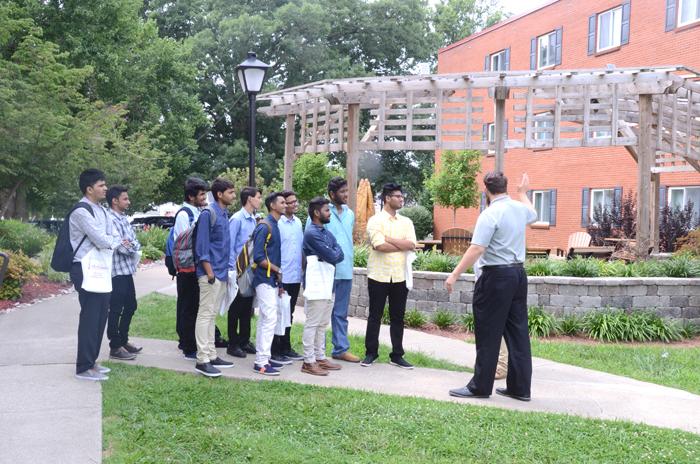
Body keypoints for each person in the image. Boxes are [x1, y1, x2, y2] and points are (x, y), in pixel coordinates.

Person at [445, 172, 537, 401]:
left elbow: (477, 248)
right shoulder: (518, 208)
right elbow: (533, 213)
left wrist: (454, 275)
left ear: (485, 188)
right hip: (518, 275)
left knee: (488, 332)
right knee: (518, 333)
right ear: (505, 186)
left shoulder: (490, 214)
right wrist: (523, 193)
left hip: (496, 277)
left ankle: (480, 386)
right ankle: (520, 388)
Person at [71, 169, 120, 381]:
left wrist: (109, 240)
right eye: (101, 185)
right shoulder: (81, 211)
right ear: (89, 189)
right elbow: (102, 239)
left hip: (100, 269)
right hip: (85, 268)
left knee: (101, 315)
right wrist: (109, 241)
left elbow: (115, 235)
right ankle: (83, 367)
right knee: (91, 317)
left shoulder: (102, 211)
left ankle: (91, 361)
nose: (106, 188)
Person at [361, 183, 417, 369]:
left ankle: (397, 355)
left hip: (400, 276)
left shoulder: (406, 222)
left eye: (402, 196)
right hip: (379, 275)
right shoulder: (375, 221)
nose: (402, 199)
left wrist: (390, 239)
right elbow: (379, 246)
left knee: (398, 317)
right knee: (374, 316)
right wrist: (400, 244)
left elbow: (411, 245)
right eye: (398, 196)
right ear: (387, 198)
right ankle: (371, 353)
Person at [193, 178, 236, 378]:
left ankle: (211, 354)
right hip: (210, 274)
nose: (234, 196)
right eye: (230, 192)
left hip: (221, 273)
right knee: (205, 314)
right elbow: (202, 247)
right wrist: (209, 273)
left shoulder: (224, 214)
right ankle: (202, 359)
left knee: (211, 316)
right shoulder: (208, 214)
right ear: (219, 194)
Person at [301, 197, 345, 375]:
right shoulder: (311, 233)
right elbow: (334, 256)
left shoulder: (326, 232)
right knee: (312, 323)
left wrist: (331, 253)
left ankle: (320, 357)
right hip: (317, 284)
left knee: (322, 323)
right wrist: (331, 253)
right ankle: (308, 361)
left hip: (328, 284)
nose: (330, 214)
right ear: (317, 213)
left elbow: (339, 253)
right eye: (327, 210)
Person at [323, 177, 361, 363]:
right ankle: (318, 350)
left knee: (340, 313)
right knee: (321, 311)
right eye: (342, 192)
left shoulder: (350, 213)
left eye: (347, 191)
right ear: (332, 194)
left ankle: (340, 349)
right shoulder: (321, 211)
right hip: (325, 270)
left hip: (345, 269)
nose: (346, 195)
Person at [252, 192, 287, 376]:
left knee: (266, 319)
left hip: (271, 280)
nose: (285, 204)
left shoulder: (275, 225)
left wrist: (279, 281)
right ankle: (261, 363)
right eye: (282, 202)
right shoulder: (265, 226)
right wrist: (277, 270)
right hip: (263, 280)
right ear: (272, 205)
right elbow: (258, 257)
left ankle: (263, 358)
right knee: (269, 319)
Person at [174, 177, 209, 359]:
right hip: (188, 268)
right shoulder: (184, 214)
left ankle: (191, 340)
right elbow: (183, 241)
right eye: (201, 194)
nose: (204, 197)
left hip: (196, 267)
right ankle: (187, 344)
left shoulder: (198, 211)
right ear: (191, 196)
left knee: (194, 306)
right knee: (187, 307)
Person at [106, 185, 141, 362]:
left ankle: (123, 340)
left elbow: (135, 242)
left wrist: (131, 245)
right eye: (125, 199)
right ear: (115, 200)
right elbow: (120, 245)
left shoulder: (123, 218)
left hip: (127, 270)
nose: (128, 201)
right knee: (116, 309)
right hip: (116, 272)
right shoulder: (109, 219)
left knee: (131, 306)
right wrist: (130, 246)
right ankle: (115, 345)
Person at [226, 186, 262, 358]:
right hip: (238, 270)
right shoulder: (237, 219)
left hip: (251, 270)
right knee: (236, 308)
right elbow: (230, 246)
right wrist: (233, 271)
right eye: (258, 197)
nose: (260, 200)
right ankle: (233, 344)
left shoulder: (255, 219)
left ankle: (244, 340)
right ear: (249, 199)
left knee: (247, 308)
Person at [271, 190, 304, 364]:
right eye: (290, 202)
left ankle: (286, 347)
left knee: (289, 313)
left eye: (294, 201)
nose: (294, 204)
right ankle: (274, 349)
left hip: (295, 275)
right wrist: (278, 275)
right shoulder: (278, 223)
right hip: (281, 275)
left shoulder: (298, 222)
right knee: (278, 313)